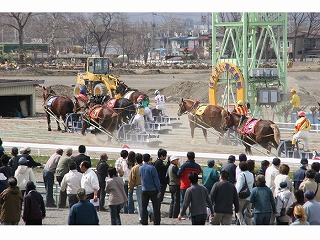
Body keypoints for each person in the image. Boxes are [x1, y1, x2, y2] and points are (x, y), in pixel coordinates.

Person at [128, 153, 153, 224]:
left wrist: (130, 188)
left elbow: (131, 179)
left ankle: (142, 217)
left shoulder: (135, 168)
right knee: (147, 202)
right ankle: (150, 212)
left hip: (139, 186)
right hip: (147, 186)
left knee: (140, 203)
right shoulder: (147, 167)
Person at [139, 153, 161, 225]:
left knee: (144, 207)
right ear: (149, 159)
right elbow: (156, 180)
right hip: (153, 190)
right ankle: (156, 221)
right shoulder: (152, 168)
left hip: (144, 189)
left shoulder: (140, 168)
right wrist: (159, 189)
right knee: (156, 207)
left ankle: (144, 221)